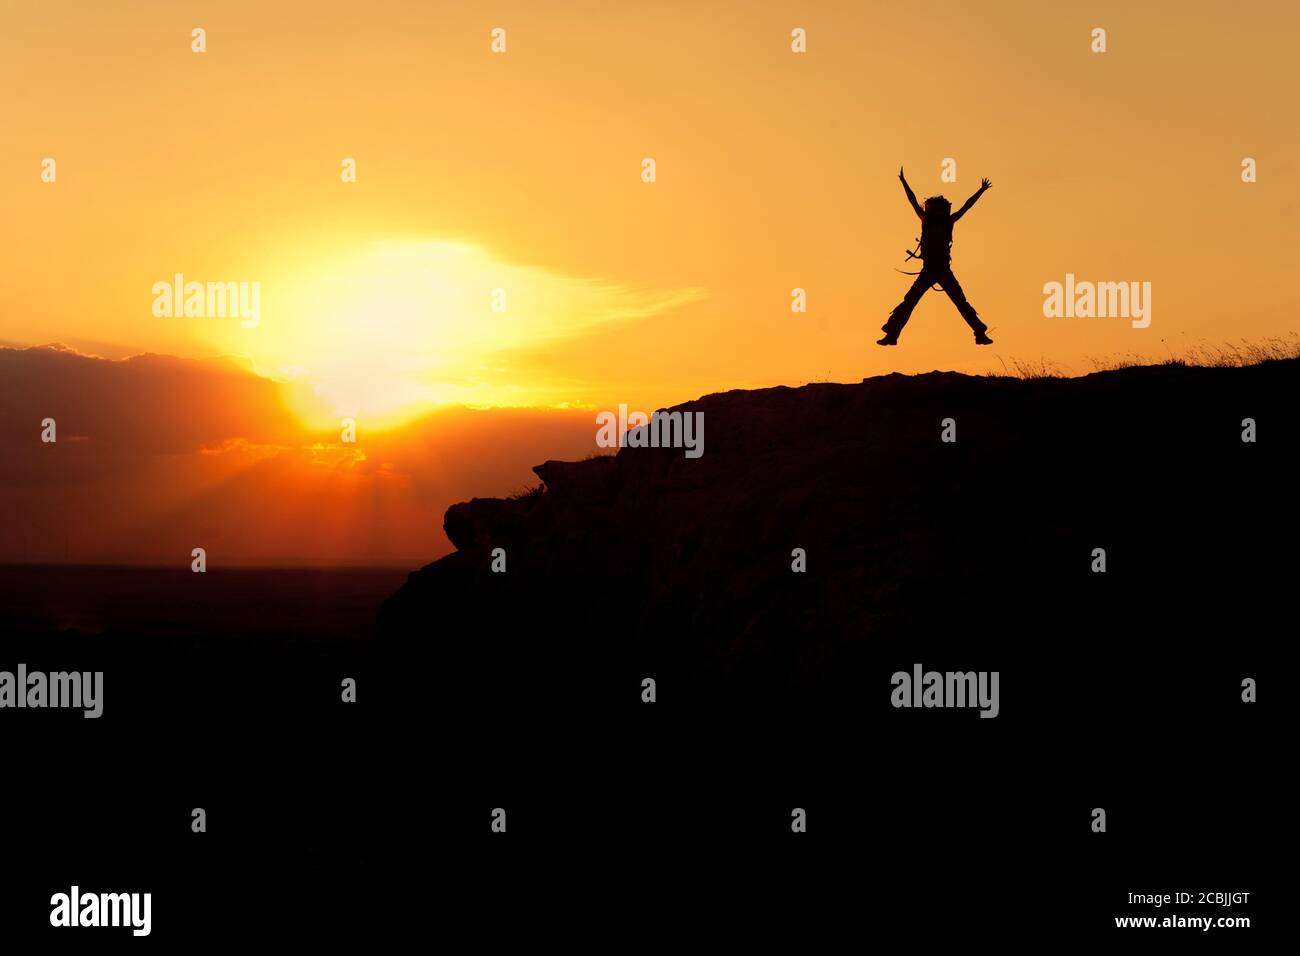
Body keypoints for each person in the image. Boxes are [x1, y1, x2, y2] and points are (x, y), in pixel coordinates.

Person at [879, 168, 993, 346]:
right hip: (934, 269)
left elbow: (914, 201)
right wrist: (903, 182)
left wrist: (981, 191)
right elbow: (964, 206)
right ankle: (892, 335)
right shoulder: (941, 220)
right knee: (922, 302)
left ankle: (980, 333)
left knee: (914, 302)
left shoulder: (931, 219)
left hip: (938, 269)